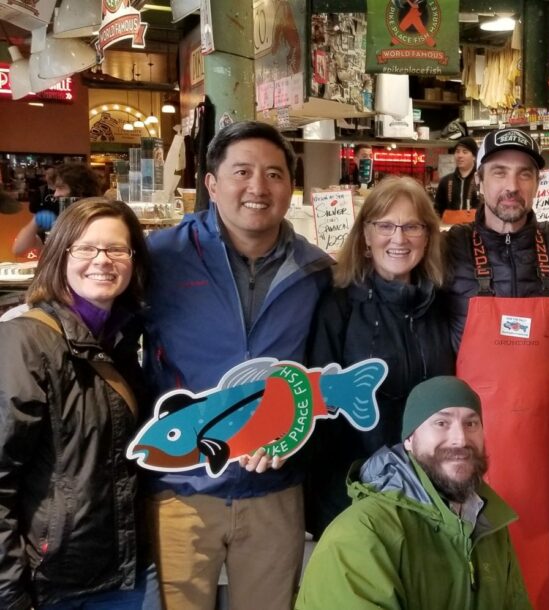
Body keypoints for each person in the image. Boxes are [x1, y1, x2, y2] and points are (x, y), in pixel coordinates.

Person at [141, 121, 334, 610]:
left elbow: (318, 370)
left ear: (292, 187)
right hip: (181, 489)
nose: (258, 188)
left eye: (274, 175)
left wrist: (295, 430)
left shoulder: (316, 271)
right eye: (242, 172)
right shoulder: (161, 258)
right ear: (211, 183)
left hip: (274, 487)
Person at [0, 198, 156, 609]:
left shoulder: (122, 339)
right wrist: (9, 593)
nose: (102, 260)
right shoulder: (26, 343)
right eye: (86, 248)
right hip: (54, 584)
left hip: (128, 572)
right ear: (60, 254)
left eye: (116, 249)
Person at [442, 127, 549, 610]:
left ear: (538, 184)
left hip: (543, 448)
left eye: (523, 174)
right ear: (478, 181)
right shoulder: (450, 248)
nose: (510, 185)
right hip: (466, 447)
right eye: (498, 172)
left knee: (539, 571)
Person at [295, 376, 531, 610]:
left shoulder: (489, 526)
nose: (460, 439)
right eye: (442, 423)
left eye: (471, 424)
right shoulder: (362, 533)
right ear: (409, 439)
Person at [306, 176, 455, 534]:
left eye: (412, 226)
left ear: (428, 236)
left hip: (428, 491)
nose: (399, 238)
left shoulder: (442, 304)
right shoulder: (338, 305)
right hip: (354, 494)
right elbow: (318, 409)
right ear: (366, 236)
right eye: (385, 225)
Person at [13, 163, 102, 257]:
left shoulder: (101, 220)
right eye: (56, 188)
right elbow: (19, 250)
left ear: (81, 190)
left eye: (61, 188)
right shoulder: (57, 217)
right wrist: (34, 222)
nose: (55, 194)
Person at [434, 136, 479, 217]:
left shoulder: (482, 180)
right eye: (457, 152)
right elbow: (437, 211)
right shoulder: (445, 181)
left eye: (465, 152)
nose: (460, 155)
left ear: (474, 156)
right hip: (449, 228)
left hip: (475, 228)